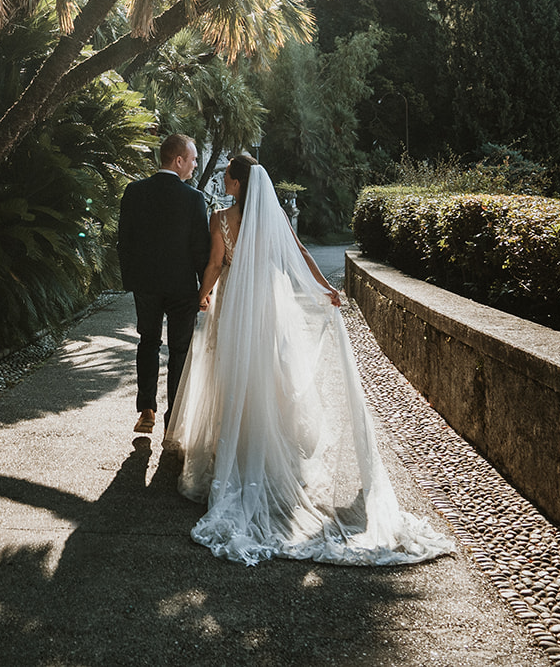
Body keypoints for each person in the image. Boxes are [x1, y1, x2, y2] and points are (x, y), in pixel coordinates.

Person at [165, 156, 457, 567]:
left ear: (236, 181)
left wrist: (203, 295)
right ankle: (268, 451)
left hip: (236, 306)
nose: (225, 180)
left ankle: (235, 453)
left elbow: (215, 263)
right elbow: (299, 253)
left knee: (234, 375)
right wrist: (325, 289)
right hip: (268, 305)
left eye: (228, 175)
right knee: (269, 373)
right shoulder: (272, 217)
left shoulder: (221, 219)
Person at [116, 133, 211, 435]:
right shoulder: (193, 198)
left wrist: (132, 280)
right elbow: (200, 249)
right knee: (179, 350)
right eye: (193, 159)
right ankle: (174, 418)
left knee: (148, 342)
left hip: (146, 284)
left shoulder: (135, 191)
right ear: (178, 160)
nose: (195, 165)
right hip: (183, 287)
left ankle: (146, 411)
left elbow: (124, 241)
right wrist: (204, 290)